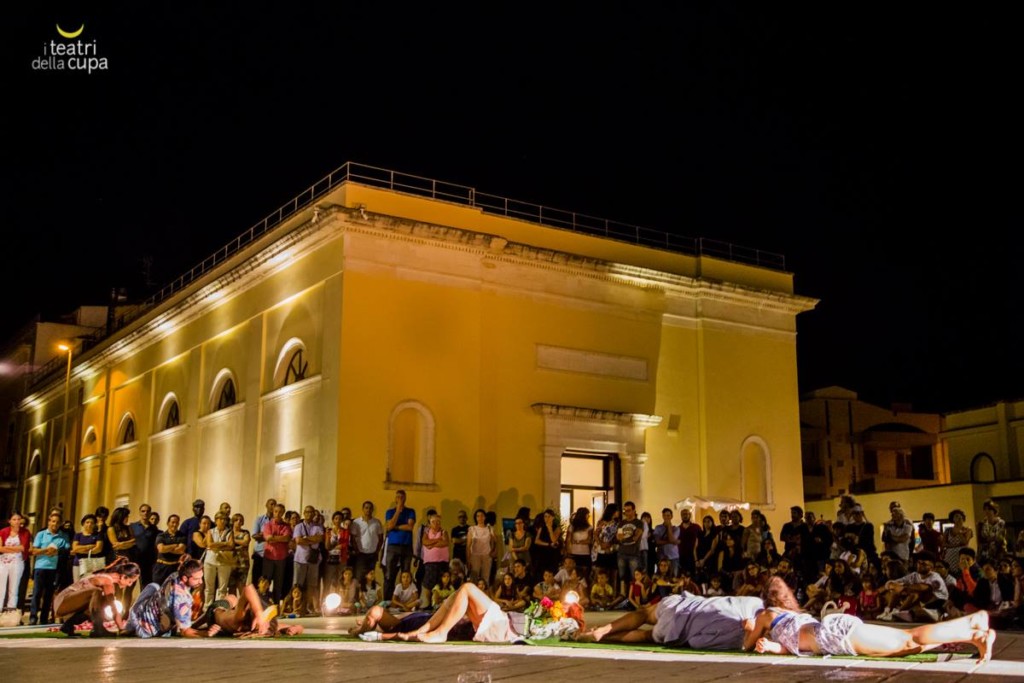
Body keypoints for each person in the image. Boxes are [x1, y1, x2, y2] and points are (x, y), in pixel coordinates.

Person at [744, 576, 995, 661]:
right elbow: (790, 647)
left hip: (833, 635)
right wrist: (772, 647)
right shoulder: (790, 616)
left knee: (908, 640)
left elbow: (746, 645)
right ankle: (971, 633)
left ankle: (973, 625)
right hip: (833, 634)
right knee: (905, 647)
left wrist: (749, 628)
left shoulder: (767, 615)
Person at [579, 590, 763, 648]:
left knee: (644, 613)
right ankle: (603, 635)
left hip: (683, 606)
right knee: (646, 637)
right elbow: (697, 642)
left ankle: (602, 631)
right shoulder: (746, 637)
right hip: (679, 629)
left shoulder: (752, 602)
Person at [123, 556, 214, 638]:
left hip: (142, 614)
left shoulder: (174, 576)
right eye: (196, 579)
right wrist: (206, 633)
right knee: (155, 589)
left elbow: (183, 567)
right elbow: (185, 632)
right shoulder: (182, 600)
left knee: (154, 586)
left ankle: (130, 623)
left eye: (201, 577)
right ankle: (131, 624)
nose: (201, 582)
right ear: (185, 578)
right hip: (145, 631)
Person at [53, 557, 141, 637]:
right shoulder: (107, 581)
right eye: (130, 582)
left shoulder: (107, 579)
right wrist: (122, 628)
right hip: (62, 603)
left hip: (66, 603)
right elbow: (113, 607)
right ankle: (98, 629)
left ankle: (68, 625)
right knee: (99, 593)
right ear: (123, 577)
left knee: (102, 600)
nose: (129, 585)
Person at [29, 511, 71, 625]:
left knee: (48, 594)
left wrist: (57, 550)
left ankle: (43, 618)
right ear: (49, 522)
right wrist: (47, 550)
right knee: (37, 593)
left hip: (53, 569)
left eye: (57, 522)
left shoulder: (63, 536)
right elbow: (33, 550)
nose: (55, 524)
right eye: (53, 521)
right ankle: (33, 617)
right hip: (40, 567)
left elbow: (67, 549)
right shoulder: (41, 534)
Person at [383, 490, 416, 602]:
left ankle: (406, 601)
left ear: (405, 498)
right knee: (389, 574)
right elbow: (389, 526)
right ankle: (387, 601)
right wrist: (397, 511)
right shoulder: (390, 512)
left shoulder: (411, 511)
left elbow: (410, 527)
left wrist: (396, 527)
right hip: (393, 547)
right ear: (395, 499)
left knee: (406, 574)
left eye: (402, 497)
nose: (400, 499)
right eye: (398, 497)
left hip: (406, 546)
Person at [0, 512, 31, 614]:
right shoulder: (3, 532)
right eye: (14, 519)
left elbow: (22, 548)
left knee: (14, 587)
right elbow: (0, 548)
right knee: (1, 586)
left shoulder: (25, 532)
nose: (17, 521)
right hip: (3, 561)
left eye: (18, 519)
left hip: (17, 561)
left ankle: (10, 610)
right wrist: (14, 549)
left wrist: (7, 548)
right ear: (9, 521)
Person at [351, 500, 384, 588]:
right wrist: (357, 550)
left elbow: (381, 538)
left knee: (370, 578)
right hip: (361, 554)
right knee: (359, 577)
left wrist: (377, 551)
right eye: (366, 508)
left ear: (372, 510)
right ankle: (358, 599)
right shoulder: (356, 522)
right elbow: (353, 538)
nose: (368, 510)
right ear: (363, 509)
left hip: (372, 554)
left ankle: (369, 598)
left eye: (370, 508)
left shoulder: (377, 522)